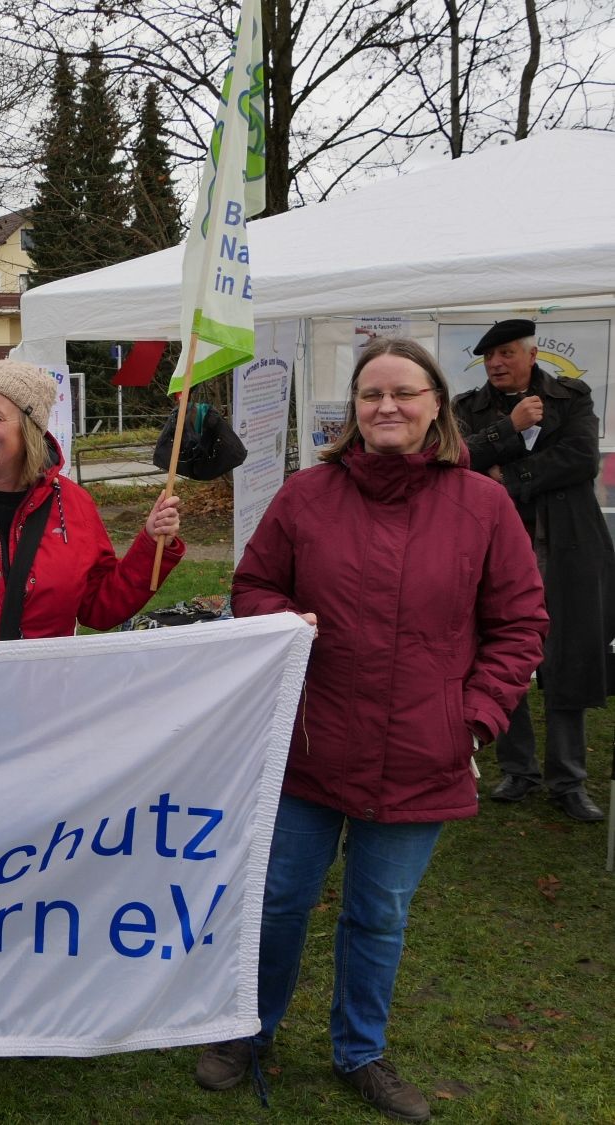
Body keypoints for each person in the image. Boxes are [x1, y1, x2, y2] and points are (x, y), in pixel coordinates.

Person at [195, 338, 547, 1122]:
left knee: (378, 912)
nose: (386, 406)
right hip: (311, 743)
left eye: (404, 393)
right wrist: (285, 619)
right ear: (352, 410)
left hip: (424, 753)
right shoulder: (306, 495)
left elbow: (520, 623)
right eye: (370, 394)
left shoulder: (483, 506)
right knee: (281, 898)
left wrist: (476, 719)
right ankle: (249, 1028)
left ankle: (361, 1049)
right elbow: (252, 583)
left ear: (435, 405)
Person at [451, 319, 615, 822]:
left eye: (505, 353)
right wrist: (512, 427)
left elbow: (582, 458)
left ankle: (568, 779)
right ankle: (518, 770)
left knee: (567, 656)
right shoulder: (467, 408)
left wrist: (510, 477)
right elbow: (460, 458)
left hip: (566, 546)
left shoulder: (572, 396)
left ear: (531, 353)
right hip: (495, 550)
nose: (496, 363)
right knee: (503, 655)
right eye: (488, 357)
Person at [0, 360, 182, 641]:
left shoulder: (75, 505)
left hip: (47, 680)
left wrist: (151, 542)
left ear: (28, 428)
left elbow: (100, 608)